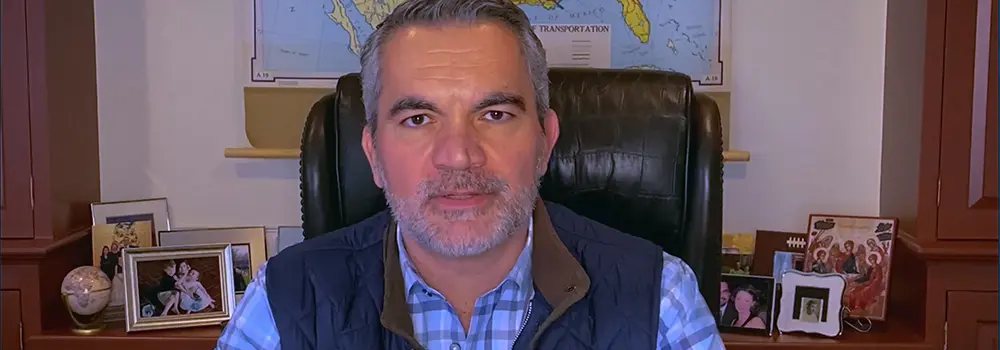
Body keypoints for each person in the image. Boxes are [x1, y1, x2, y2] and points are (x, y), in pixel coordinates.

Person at [217, 0, 723, 348]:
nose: (459, 156)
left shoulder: (660, 301)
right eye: (418, 119)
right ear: (373, 154)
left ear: (545, 141)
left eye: (495, 115)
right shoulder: (285, 301)